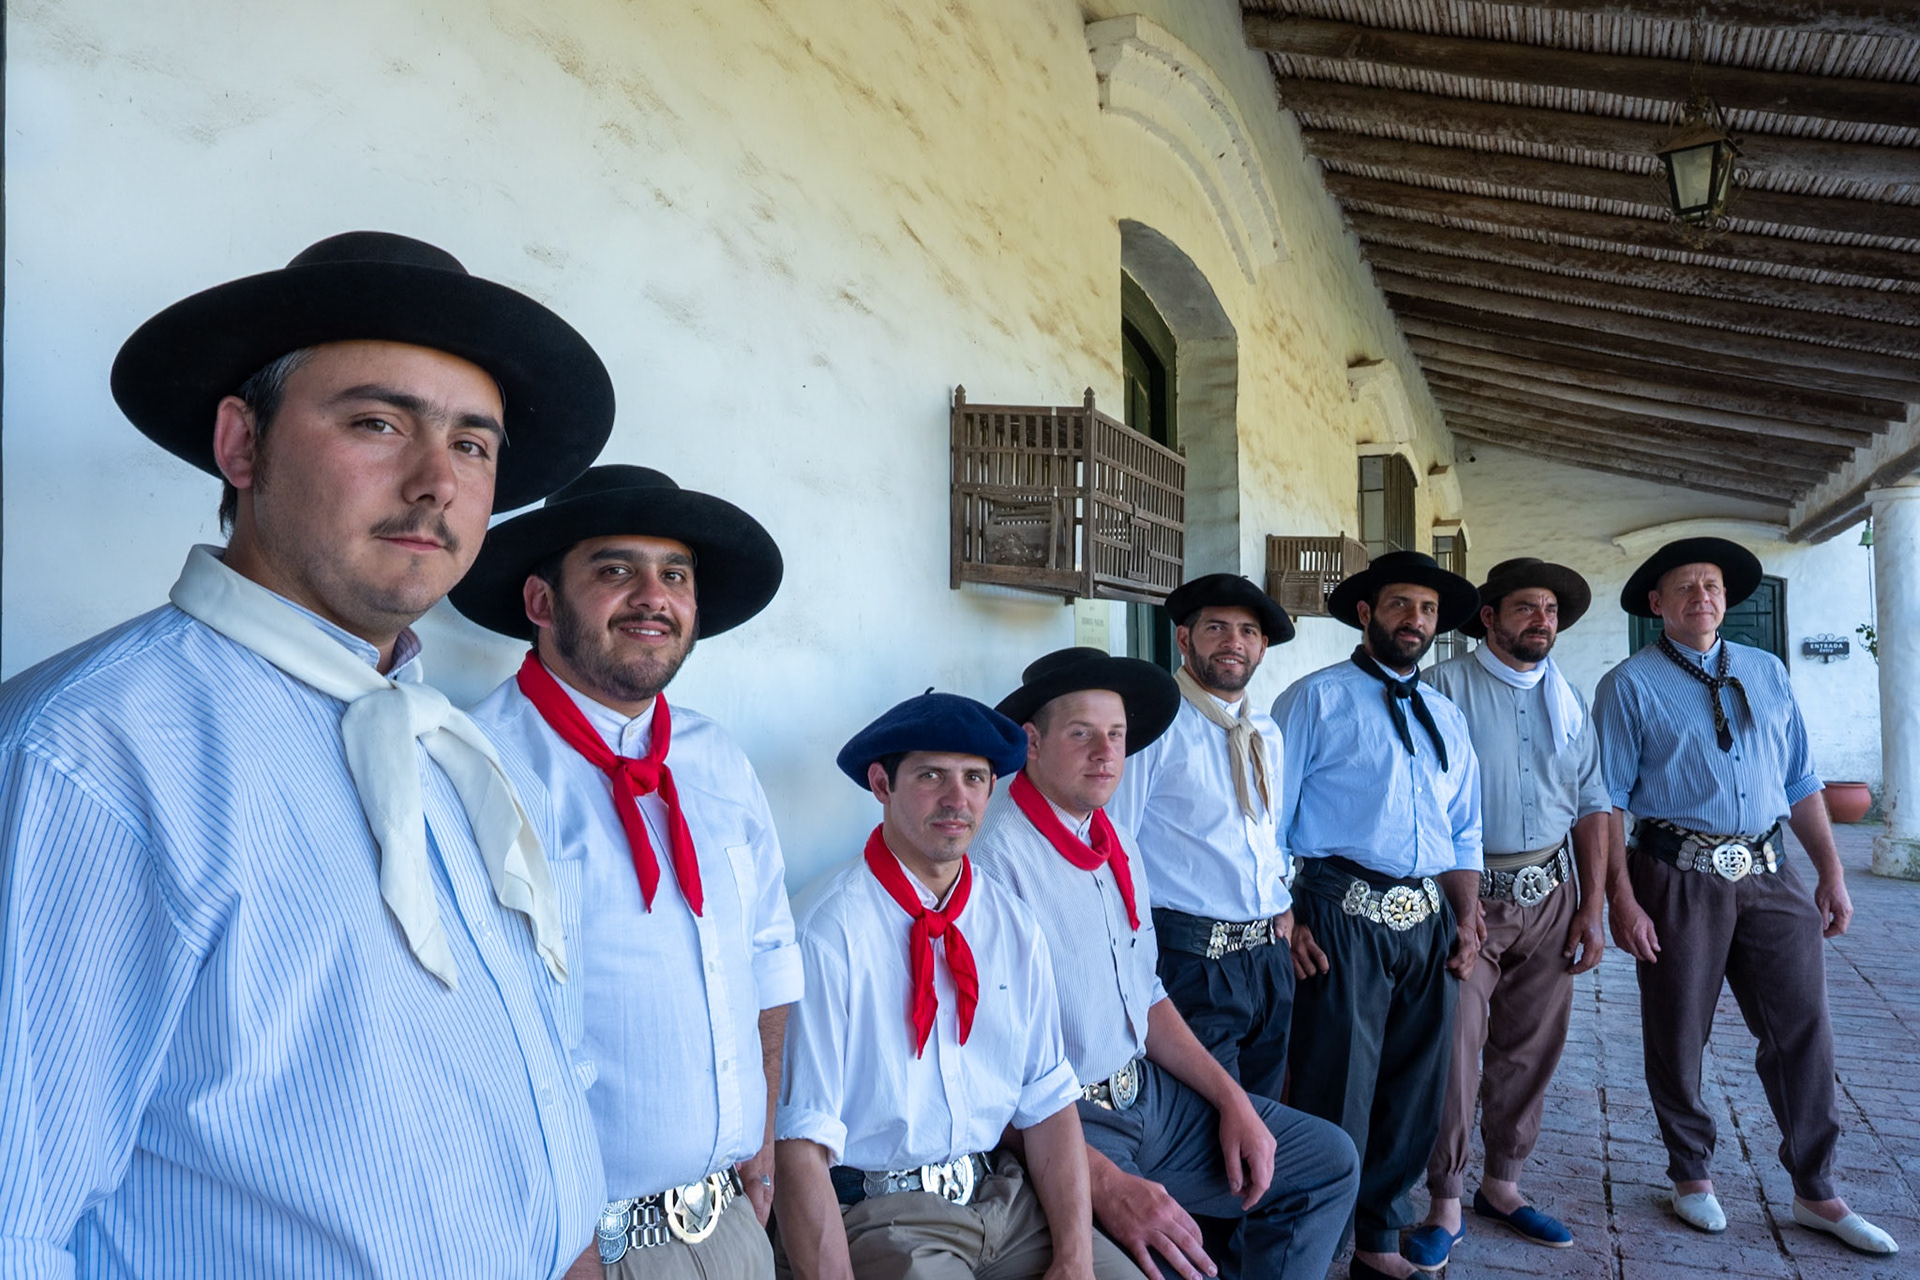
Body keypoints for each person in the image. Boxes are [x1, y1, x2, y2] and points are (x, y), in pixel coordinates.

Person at [0, 231, 616, 1276]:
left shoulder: (450, 750)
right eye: (378, 422)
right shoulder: (91, 751)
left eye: (474, 443)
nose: (436, 482)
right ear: (242, 444)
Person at [455, 464, 798, 1278]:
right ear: (541, 603)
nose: (654, 596)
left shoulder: (717, 758)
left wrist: (764, 1141)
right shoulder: (473, 764)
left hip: (734, 1220)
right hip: (580, 1247)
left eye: (674, 574)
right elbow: (465, 1039)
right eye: (615, 570)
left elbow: (767, 954)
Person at [975, 647, 1358, 1280]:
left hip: (1147, 1096)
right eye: (1082, 734)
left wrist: (1231, 1098)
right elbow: (986, 1072)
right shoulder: (994, 859)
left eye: (1117, 735)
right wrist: (1102, 1181)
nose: (1106, 752)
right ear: (1032, 742)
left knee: (1324, 1162)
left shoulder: (1112, 837)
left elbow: (1144, 995)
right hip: (1063, 1122)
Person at [773, 693, 1143, 1280]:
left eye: (974, 777)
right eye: (931, 776)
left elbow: (1046, 1105)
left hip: (1002, 1199)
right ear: (881, 784)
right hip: (882, 1214)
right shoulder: (826, 932)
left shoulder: (1012, 924)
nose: (957, 799)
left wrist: (1075, 1259)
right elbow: (800, 1147)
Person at [1596, 537, 1897, 1256]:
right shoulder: (1628, 685)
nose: (1703, 596)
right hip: (1675, 873)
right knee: (1678, 1030)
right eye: (1687, 587)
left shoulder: (1766, 670)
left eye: (1714, 586)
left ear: (1727, 600)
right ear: (1656, 603)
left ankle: (1816, 1190)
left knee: (1802, 1028)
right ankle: (1691, 1176)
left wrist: (1830, 870)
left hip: (1770, 872)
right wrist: (1621, 900)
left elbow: (1800, 780)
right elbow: (1605, 801)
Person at [1270, 549, 1482, 1280]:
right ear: (1366, 613)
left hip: (1426, 917)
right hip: (1338, 911)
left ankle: (1377, 1240)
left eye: (1425, 610)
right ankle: (1316, 1244)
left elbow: (1464, 828)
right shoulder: (1314, 700)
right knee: (1338, 1086)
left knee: (1415, 1086)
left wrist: (1468, 916)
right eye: (1399, 606)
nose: (1413, 621)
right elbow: (1268, 819)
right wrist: (1285, 918)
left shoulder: (1448, 717)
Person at [1417, 559, 1610, 1260]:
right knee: (1454, 1051)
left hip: (1551, 896)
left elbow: (1592, 806)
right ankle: (1444, 1199)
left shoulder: (1569, 698)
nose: (1542, 620)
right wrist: (1459, 906)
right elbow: (1423, 808)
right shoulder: (1441, 690)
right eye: (1526, 607)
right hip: (1466, 899)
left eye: (1552, 609)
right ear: (1489, 617)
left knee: (1530, 1049)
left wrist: (1592, 907)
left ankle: (1503, 1184)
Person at [1107, 574, 1298, 1102]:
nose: (1233, 642)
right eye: (1216, 628)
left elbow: (1266, 832)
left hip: (1266, 960)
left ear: (1261, 648)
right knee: (1208, 1126)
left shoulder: (1266, 731)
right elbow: (1114, 848)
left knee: (1264, 1114)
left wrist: (1282, 898)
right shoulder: (1152, 728)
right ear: (1185, 639)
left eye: (1247, 631)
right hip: (1191, 963)